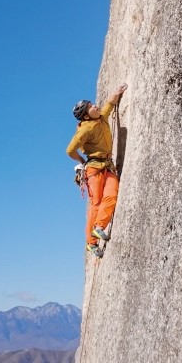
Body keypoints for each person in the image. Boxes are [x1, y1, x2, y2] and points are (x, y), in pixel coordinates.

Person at [66, 85, 127, 258]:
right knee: (96, 203)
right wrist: (82, 161)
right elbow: (70, 150)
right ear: (86, 116)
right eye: (91, 107)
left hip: (107, 166)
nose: (95, 106)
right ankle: (91, 243)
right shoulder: (85, 129)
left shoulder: (101, 118)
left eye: (92, 104)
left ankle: (99, 227)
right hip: (93, 168)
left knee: (111, 196)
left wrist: (117, 93)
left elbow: (108, 105)